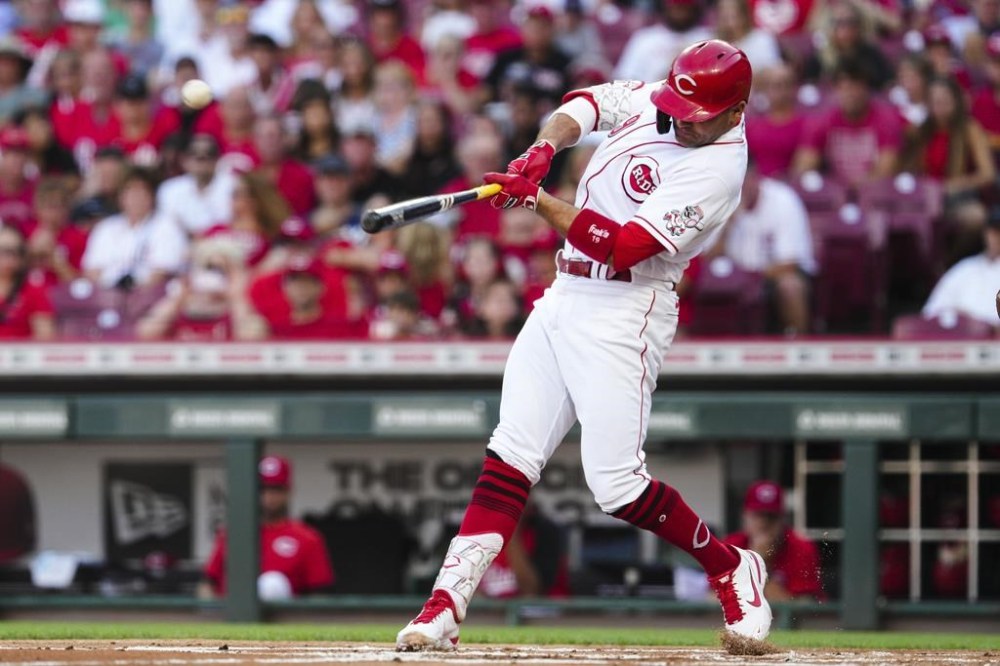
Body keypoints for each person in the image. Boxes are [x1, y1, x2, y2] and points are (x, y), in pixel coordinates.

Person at [395, 40, 771, 652]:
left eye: (696, 114)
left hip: (628, 305)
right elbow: (586, 104)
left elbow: (623, 246)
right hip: (564, 294)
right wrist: (542, 151)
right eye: (677, 103)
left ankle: (731, 565)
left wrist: (536, 201)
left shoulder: (719, 168)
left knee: (617, 485)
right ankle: (444, 605)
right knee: (511, 452)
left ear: (735, 111)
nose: (679, 118)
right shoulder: (665, 100)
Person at [203, 455, 335, 598]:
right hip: (233, 617)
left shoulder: (307, 538)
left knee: (272, 583)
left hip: (287, 616)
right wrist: (211, 611)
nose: (268, 496)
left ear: (289, 492)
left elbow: (320, 595)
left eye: (276, 489)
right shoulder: (232, 534)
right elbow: (207, 583)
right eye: (262, 489)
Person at [711, 160, 815, 335]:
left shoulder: (782, 199)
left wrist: (751, 277)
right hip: (732, 278)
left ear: (756, 177)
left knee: (790, 286)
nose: (740, 188)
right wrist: (728, 224)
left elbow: (789, 263)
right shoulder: (722, 201)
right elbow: (707, 258)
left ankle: (799, 346)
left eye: (744, 181)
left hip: (771, 276)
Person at [793, 57, 902, 191]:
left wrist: (856, 187)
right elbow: (803, 167)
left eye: (856, 87)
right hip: (832, 195)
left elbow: (886, 171)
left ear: (866, 89)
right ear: (836, 90)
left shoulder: (885, 121)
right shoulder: (823, 121)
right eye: (845, 88)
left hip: (874, 195)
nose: (851, 94)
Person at [82, 167, 187, 289]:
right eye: (130, 191)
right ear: (120, 197)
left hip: (149, 294)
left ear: (152, 196)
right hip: (107, 293)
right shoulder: (106, 227)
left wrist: (133, 292)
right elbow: (92, 270)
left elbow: (162, 272)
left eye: (141, 191)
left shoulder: (166, 226)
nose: (135, 197)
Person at [724, 481, 823, 601]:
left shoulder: (801, 548)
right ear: (745, 516)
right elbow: (713, 597)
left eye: (771, 516)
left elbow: (801, 608)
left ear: (783, 519)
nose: (763, 523)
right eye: (757, 515)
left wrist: (760, 565)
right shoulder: (731, 546)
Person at [921, 213, 1000, 326]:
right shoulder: (964, 268)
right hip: (956, 339)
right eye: (995, 231)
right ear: (986, 233)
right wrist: (960, 318)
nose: (998, 237)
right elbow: (929, 314)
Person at [156, 134, 237, 237]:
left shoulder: (233, 186)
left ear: (218, 160)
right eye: (194, 153)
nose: (201, 158)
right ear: (185, 160)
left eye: (209, 154)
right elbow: (167, 228)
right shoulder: (169, 190)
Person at [0, 224, 55, 340]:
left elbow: (45, 337)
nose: (8, 258)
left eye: (15, 252)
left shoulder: (34, 291)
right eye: (2, 251)